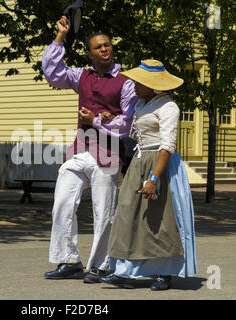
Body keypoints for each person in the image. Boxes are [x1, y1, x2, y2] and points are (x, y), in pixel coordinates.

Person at [42, 16, 137, 283]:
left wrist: (94, 120)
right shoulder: (80, 75)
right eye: (99, 47)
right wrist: (61, 35)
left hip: (107, 155)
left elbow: (128, 123)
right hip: (79, 151)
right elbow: (52, 72)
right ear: (89, 53)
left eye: (108, 45)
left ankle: (101, 265)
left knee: (103, 212)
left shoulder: (126, 82)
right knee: (61, 203)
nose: (105, 49)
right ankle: (69, 260)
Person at [100, 59, 197, 291]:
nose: (134, 85)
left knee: (160, 219)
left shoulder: (168, 107)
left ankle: (165, 272)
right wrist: (109, 121)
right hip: (140, 160)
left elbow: (167, 146)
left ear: (152, 85)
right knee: (126, 214)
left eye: (138, 82)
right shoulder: (142, 104)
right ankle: (125, 271)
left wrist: (154, 178)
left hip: (160, 165)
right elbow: (133, 131)